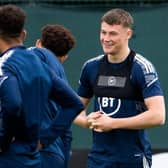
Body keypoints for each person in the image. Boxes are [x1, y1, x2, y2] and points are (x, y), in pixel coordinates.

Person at [74, 8, 166, 168]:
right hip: (98, 159)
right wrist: (86, 121)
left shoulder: (142, 67)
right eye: (103, 32)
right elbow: (74, 109)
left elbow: (158, 116)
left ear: (128, 34)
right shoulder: (91, 67)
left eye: (113, 34)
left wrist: (113, 123)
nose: (106, 38)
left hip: (134, 159)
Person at [0, 4, 84, 168]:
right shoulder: (39, 65)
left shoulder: (12, 62)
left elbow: (13, 104)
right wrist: (46, 140)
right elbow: (74, 104)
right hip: (42, 154)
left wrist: (3, 140)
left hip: (18, 155)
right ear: (24, 34)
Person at [29, 24, 76, 168]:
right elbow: (67, 134)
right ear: (64, 57)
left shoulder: (29, 55)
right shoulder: (62, 80)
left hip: (30, 152)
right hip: (53, 155)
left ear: (38, 43)